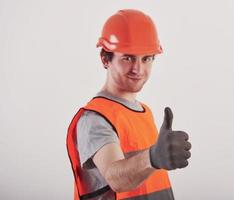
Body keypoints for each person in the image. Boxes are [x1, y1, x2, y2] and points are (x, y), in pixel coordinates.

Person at [67, 9, 192, 200]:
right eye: (127, 58)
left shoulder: (144, 112)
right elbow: (116, 179)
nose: (138, 69)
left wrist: (156, 157)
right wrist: (153, 157)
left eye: (146, 58)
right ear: (105, 59)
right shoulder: (95, 117)